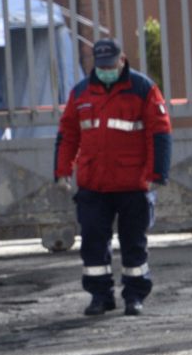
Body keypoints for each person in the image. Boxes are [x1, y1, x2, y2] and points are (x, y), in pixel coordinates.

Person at [54, 37, 172, 317]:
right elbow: (68, 134)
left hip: (133, 183)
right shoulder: (81, 93)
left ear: (122, 60)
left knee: (134, 244)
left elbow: (159, 132)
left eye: (111, 65)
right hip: (94, 184)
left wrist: (157, 173)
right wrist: (62, 171)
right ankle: (100, 296)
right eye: (102, 66)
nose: (106, 70)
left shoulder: (143, 89)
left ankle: (135, 296)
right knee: (93, 243)